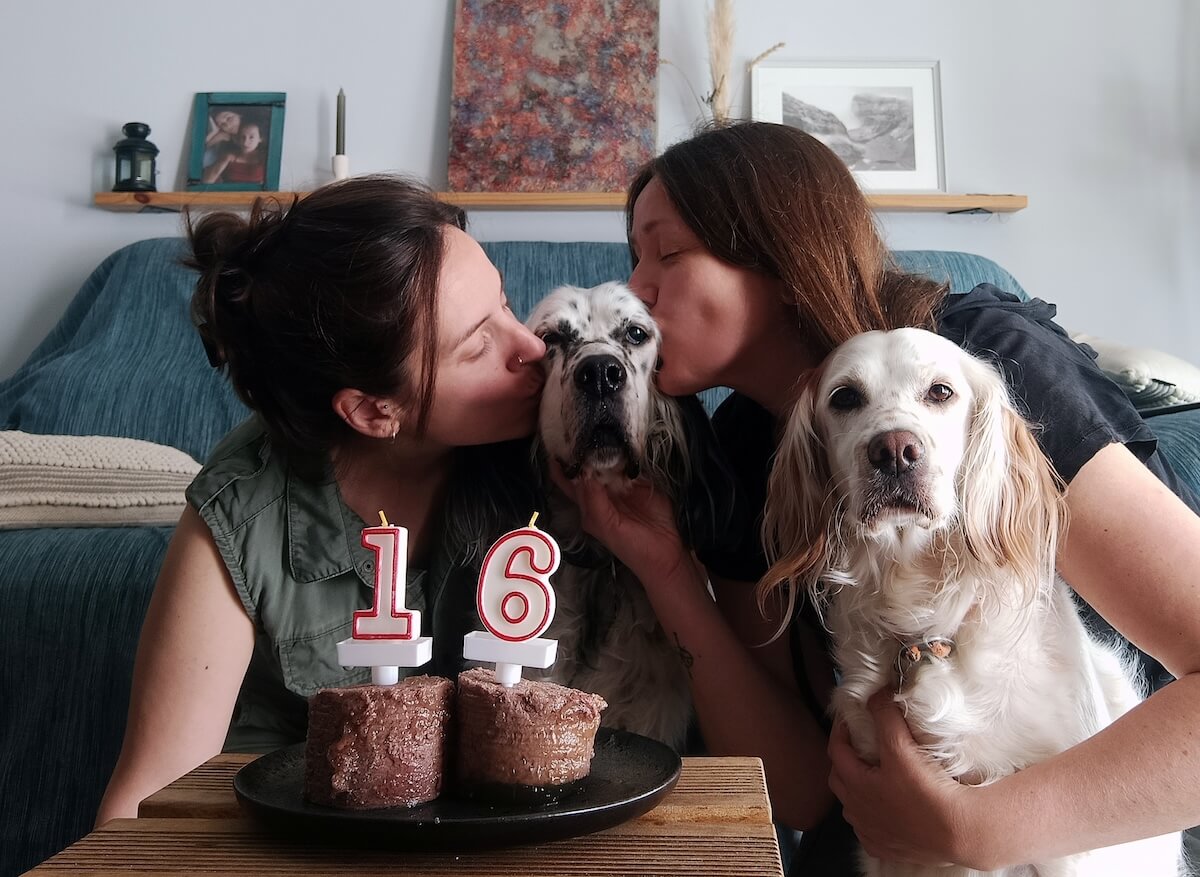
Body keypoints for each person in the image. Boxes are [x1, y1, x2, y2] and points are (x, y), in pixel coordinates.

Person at [555, 121, 1200, 872]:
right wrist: (668, 570)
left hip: (1118, 812)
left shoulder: (989, 360)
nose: (637, 289)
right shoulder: (738, 447)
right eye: (635, 259)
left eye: (667, 253)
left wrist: (972, 830)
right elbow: (797, 790)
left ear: (777, 252)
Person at [95, 175, 547, 824]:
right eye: (479, 344)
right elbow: (145, 799)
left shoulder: (558, 436)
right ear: (372, 410)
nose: (531, 347)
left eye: (506, 303)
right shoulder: (246, 507)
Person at [202, 120, 266, 184]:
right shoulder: (228, 157)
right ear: (238, 139)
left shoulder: (264, 158)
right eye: (242, 137)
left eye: (251, 137)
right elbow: (207, 182)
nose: (245, 142)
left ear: (260, 138)